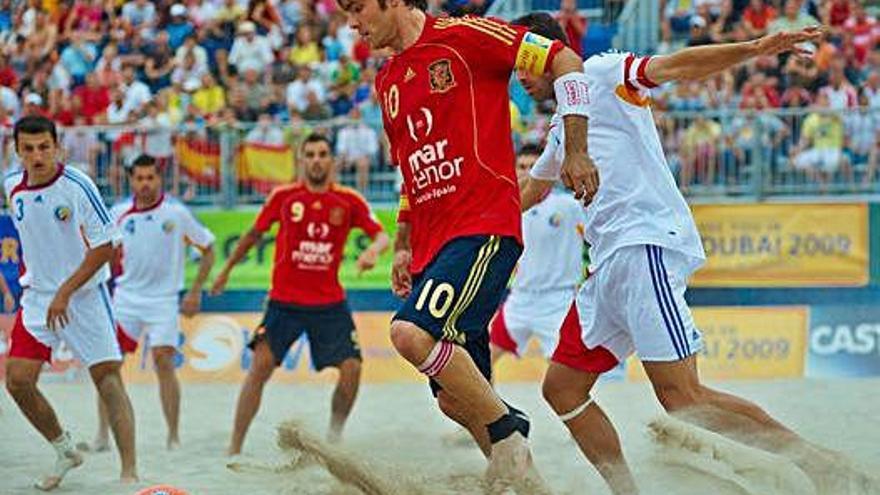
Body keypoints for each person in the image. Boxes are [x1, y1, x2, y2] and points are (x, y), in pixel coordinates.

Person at [516, 14, 865, 495]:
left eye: (522, 62)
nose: (518, 74)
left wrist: (758, 46)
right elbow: (531, 190)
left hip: (643, 246)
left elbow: (676, 66)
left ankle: (814, 462)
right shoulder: (561, 126)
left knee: (683, 399)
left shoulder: (598, 72)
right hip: (605, 267)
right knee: (561, 390)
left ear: (547, 51)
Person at [337, 0, 596, 488]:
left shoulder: (469, 36)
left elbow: (565, 60)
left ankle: (510, 428)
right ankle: (527, 482)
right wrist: (401, 243)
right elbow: (410, 172)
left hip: (483, 228)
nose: (352, 24)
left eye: (357, 9)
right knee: (455, 399)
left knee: (410, 335)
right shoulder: (387, 81)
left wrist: (576, 148)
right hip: (432, 246)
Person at [212, 134, 390, 452]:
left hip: (329, 302)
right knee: (260, 366)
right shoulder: (284, 197)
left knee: (352, 369)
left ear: (332, 161)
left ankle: (334, 437)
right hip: (284, 301)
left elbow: (381, 237)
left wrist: (373, 252)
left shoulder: (349, 200)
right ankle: (234, 446)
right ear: (301, 161)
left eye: (323, 154)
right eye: (310, 154)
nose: (317, 160)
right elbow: (253, 235)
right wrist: (225, 271)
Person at [3, 116, 138, 489]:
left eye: (44, 147)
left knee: (108, 380)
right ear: (17, 151)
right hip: (38, 300)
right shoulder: (12, 185)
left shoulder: (78, 184)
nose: (37, 155)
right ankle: (65, 450)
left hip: (83, 297)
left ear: (57, 146)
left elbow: (105, 246)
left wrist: (65, 291)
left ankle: (129, 472)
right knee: (17, 380)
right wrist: (47, 292)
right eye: (28, 149)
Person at [87, 154, 216, 452]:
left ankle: (173, 436)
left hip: (164, 301)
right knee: (108, 366)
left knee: (163, 361)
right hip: (126, 299)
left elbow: (208, 249)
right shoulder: (118, 213)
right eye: (140, 178)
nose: (145, 184)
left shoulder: (176, 213)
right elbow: (101, 252)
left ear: (160, 180)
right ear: (131, 180)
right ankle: (102, 435)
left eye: (150, 178)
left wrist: (196, 291)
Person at [489, 143, 586, 365]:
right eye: (522, 166)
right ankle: (487, 402)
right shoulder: (508, 209)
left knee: (563, 373)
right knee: (481, 360)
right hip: (520, 297)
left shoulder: (569, 205)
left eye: (534, 166)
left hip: (558, 300)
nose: (527, 172)